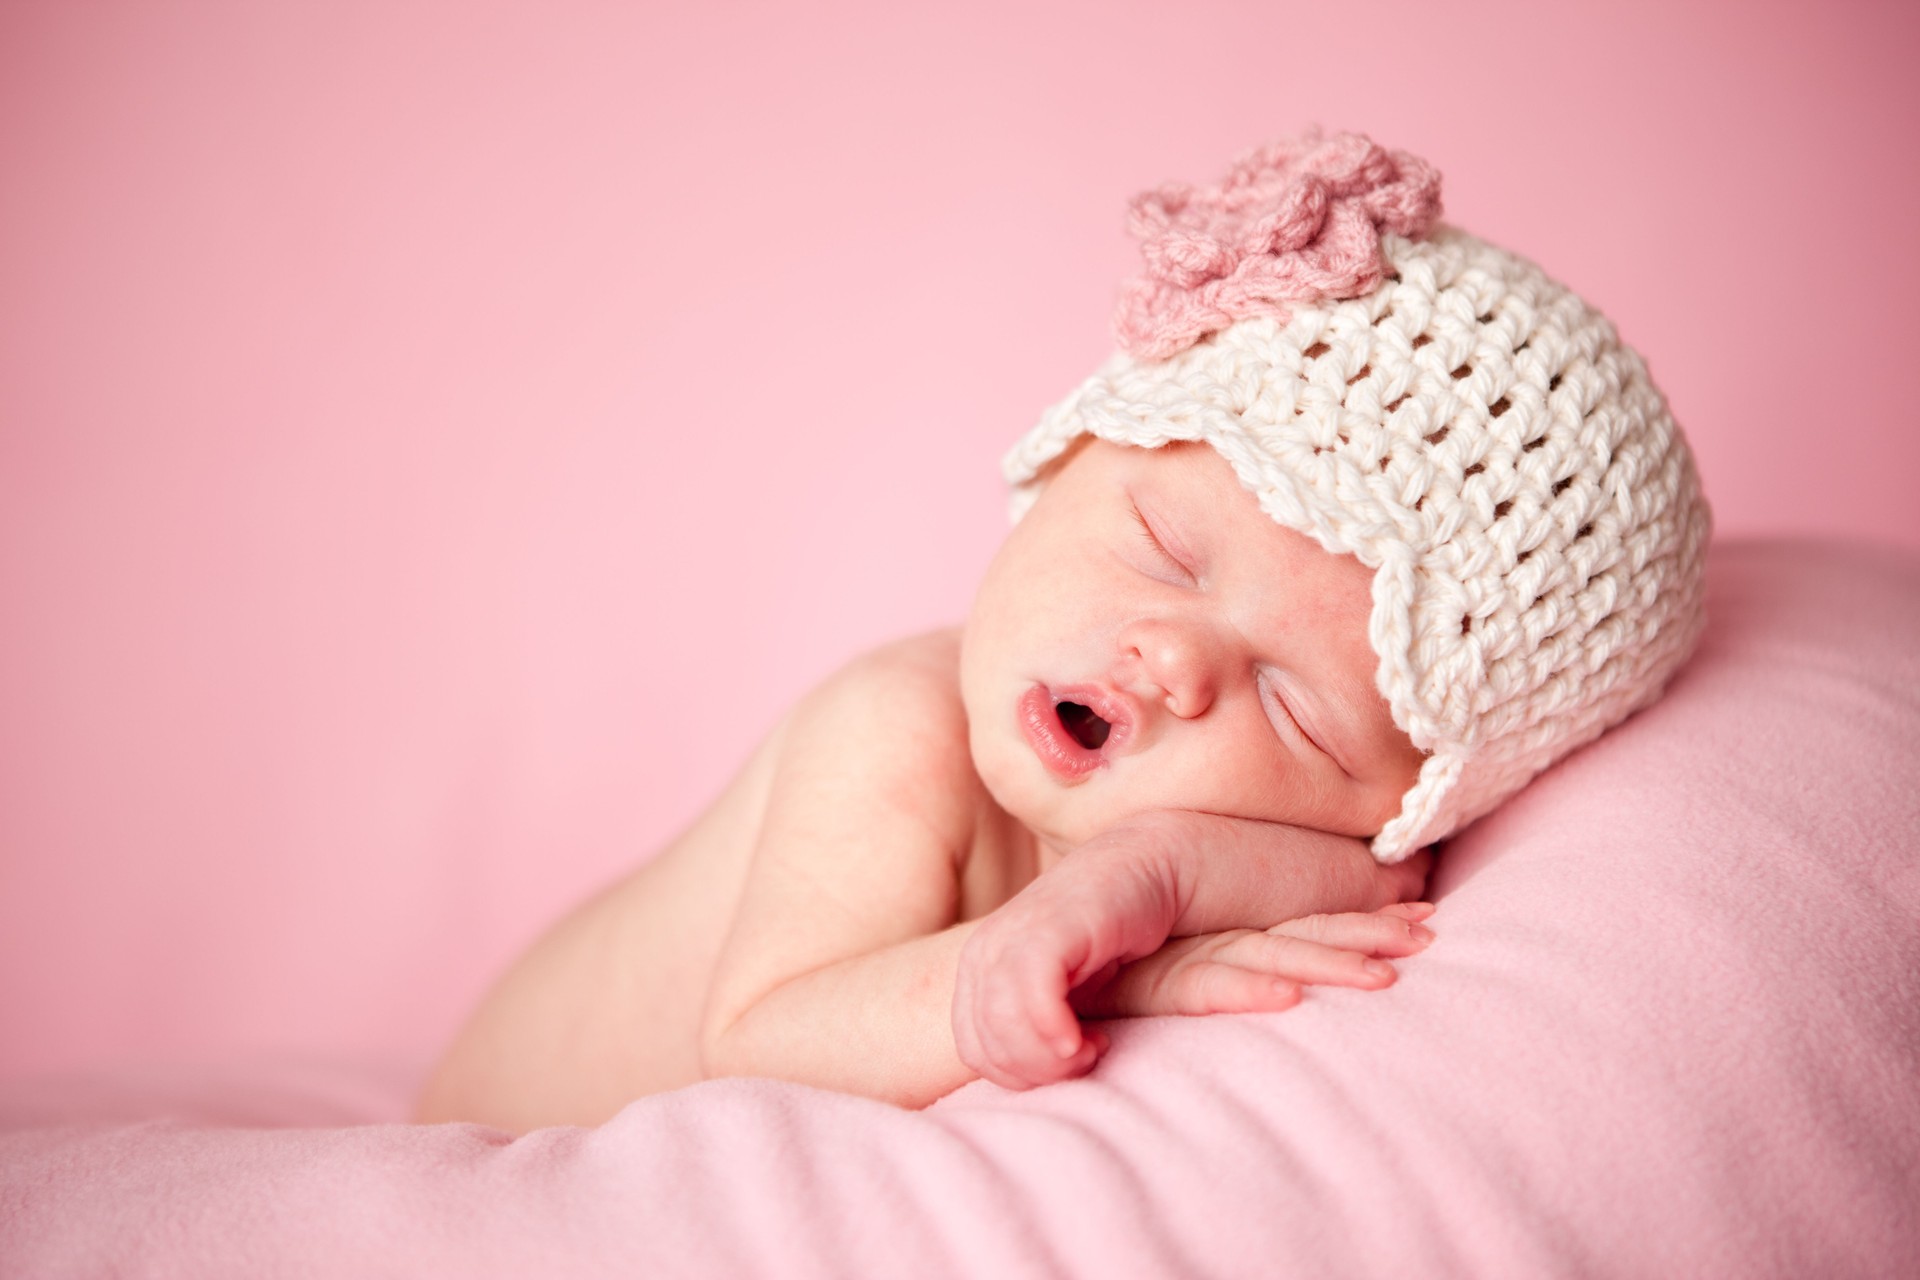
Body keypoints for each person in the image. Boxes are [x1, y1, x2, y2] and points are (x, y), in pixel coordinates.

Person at [417, 131, 1710, 1132]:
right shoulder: (892, 731)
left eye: (1292, 707)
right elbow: (763, 1037)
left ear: (1402, 798)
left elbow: (1372, 887)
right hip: (499, 1124)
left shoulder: (1336, 839)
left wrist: (1137, 885)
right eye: (1164, 546)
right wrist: (1100, 967)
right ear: (1071, 457)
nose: (1179, 657)